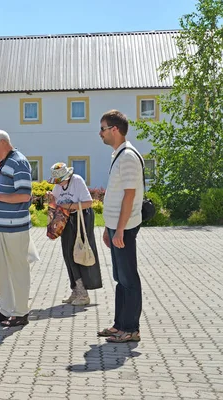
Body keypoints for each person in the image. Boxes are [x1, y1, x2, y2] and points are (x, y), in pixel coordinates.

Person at [97, 110, 144, 343]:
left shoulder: (127, 157)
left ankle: (131, 329)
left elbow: (129, 196)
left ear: (114, 129)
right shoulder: (119, 154)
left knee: (128, 278)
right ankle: (120, 326)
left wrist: (121, 229)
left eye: (103, 129)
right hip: (117, 227)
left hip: (125, 228)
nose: (100, 133)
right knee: (120, 278)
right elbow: (117, 196)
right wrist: (110, 228)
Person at [0, 129, 33, 328]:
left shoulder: (19, 162)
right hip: (0, 225)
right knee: (1, 270)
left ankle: (21, 313)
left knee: (18, 270)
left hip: (15, 227)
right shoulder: (4, 163)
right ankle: (6, 311)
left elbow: (24, 195)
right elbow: (3, 190)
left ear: (2, 143)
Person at [47, 162, 102, 306]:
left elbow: (88, 203)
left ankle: (83, 293)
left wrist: (67, 206)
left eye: (60, 180)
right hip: (66, 220)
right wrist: (51, 201)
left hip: (81, 218)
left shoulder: (77, 180)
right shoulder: (58, 186)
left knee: (78, 253)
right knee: (68, 254)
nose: (58, 183)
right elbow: (55, 204)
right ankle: (76, 289)